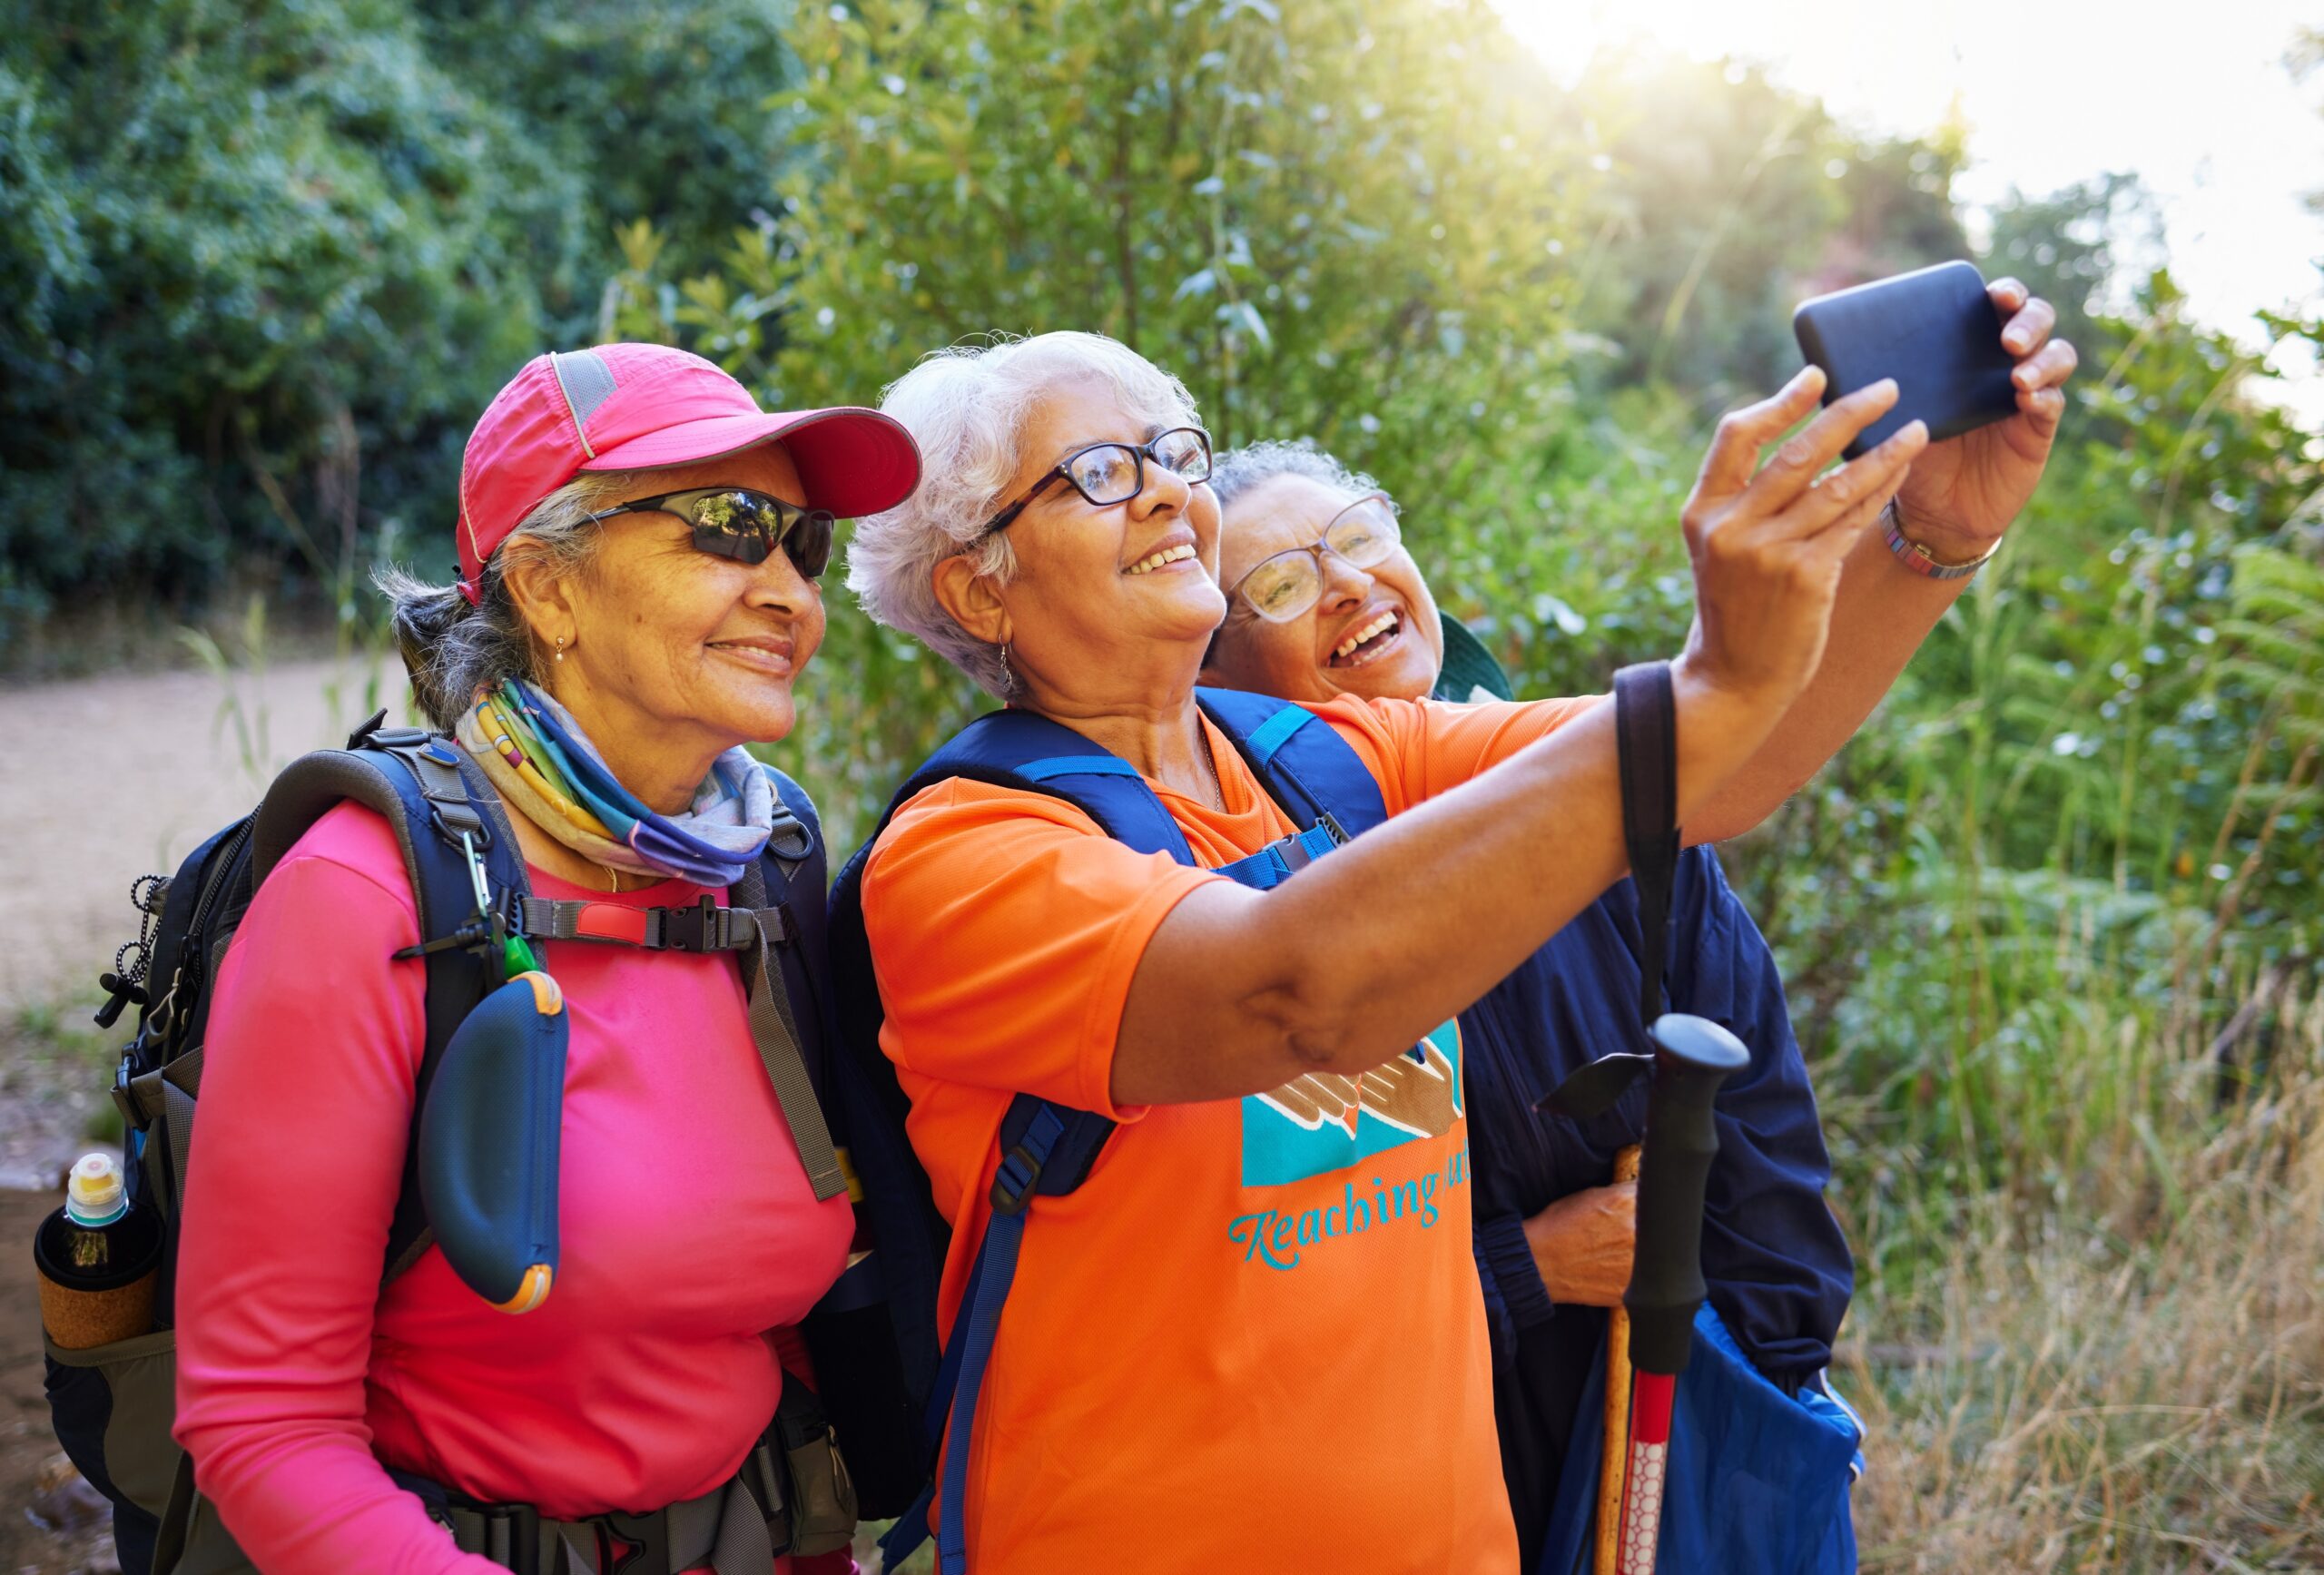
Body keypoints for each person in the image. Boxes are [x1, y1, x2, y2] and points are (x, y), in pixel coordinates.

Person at [839, 307, 2066, 1570]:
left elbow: (1708, 779)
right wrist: (1710, 683)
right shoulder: (957, 860)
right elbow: (1292, 993)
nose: (1162, 493)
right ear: (976, 580)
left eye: (1175, 453)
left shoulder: (1330, 759)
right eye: (1098, 474)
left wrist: (1927, 540)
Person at [170, 343, 921, 1572]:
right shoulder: (365, 897)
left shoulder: (761, 866)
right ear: (547, 587)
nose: (790, 589)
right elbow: (262, 1421)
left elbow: (763, 1335)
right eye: (730, 527)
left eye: (803, 542)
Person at [1196, 445, 1843, 1564]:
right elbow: (1256, 1289)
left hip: (1675, 1445)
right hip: (1428, 1488)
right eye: (1283, 586)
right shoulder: (1244, 926)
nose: (1347, 585)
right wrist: (1521, 1269)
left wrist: (1757, 1422)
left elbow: (1766, 1144)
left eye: (1355, 538)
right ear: (1216, 680)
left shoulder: (1611, 812)